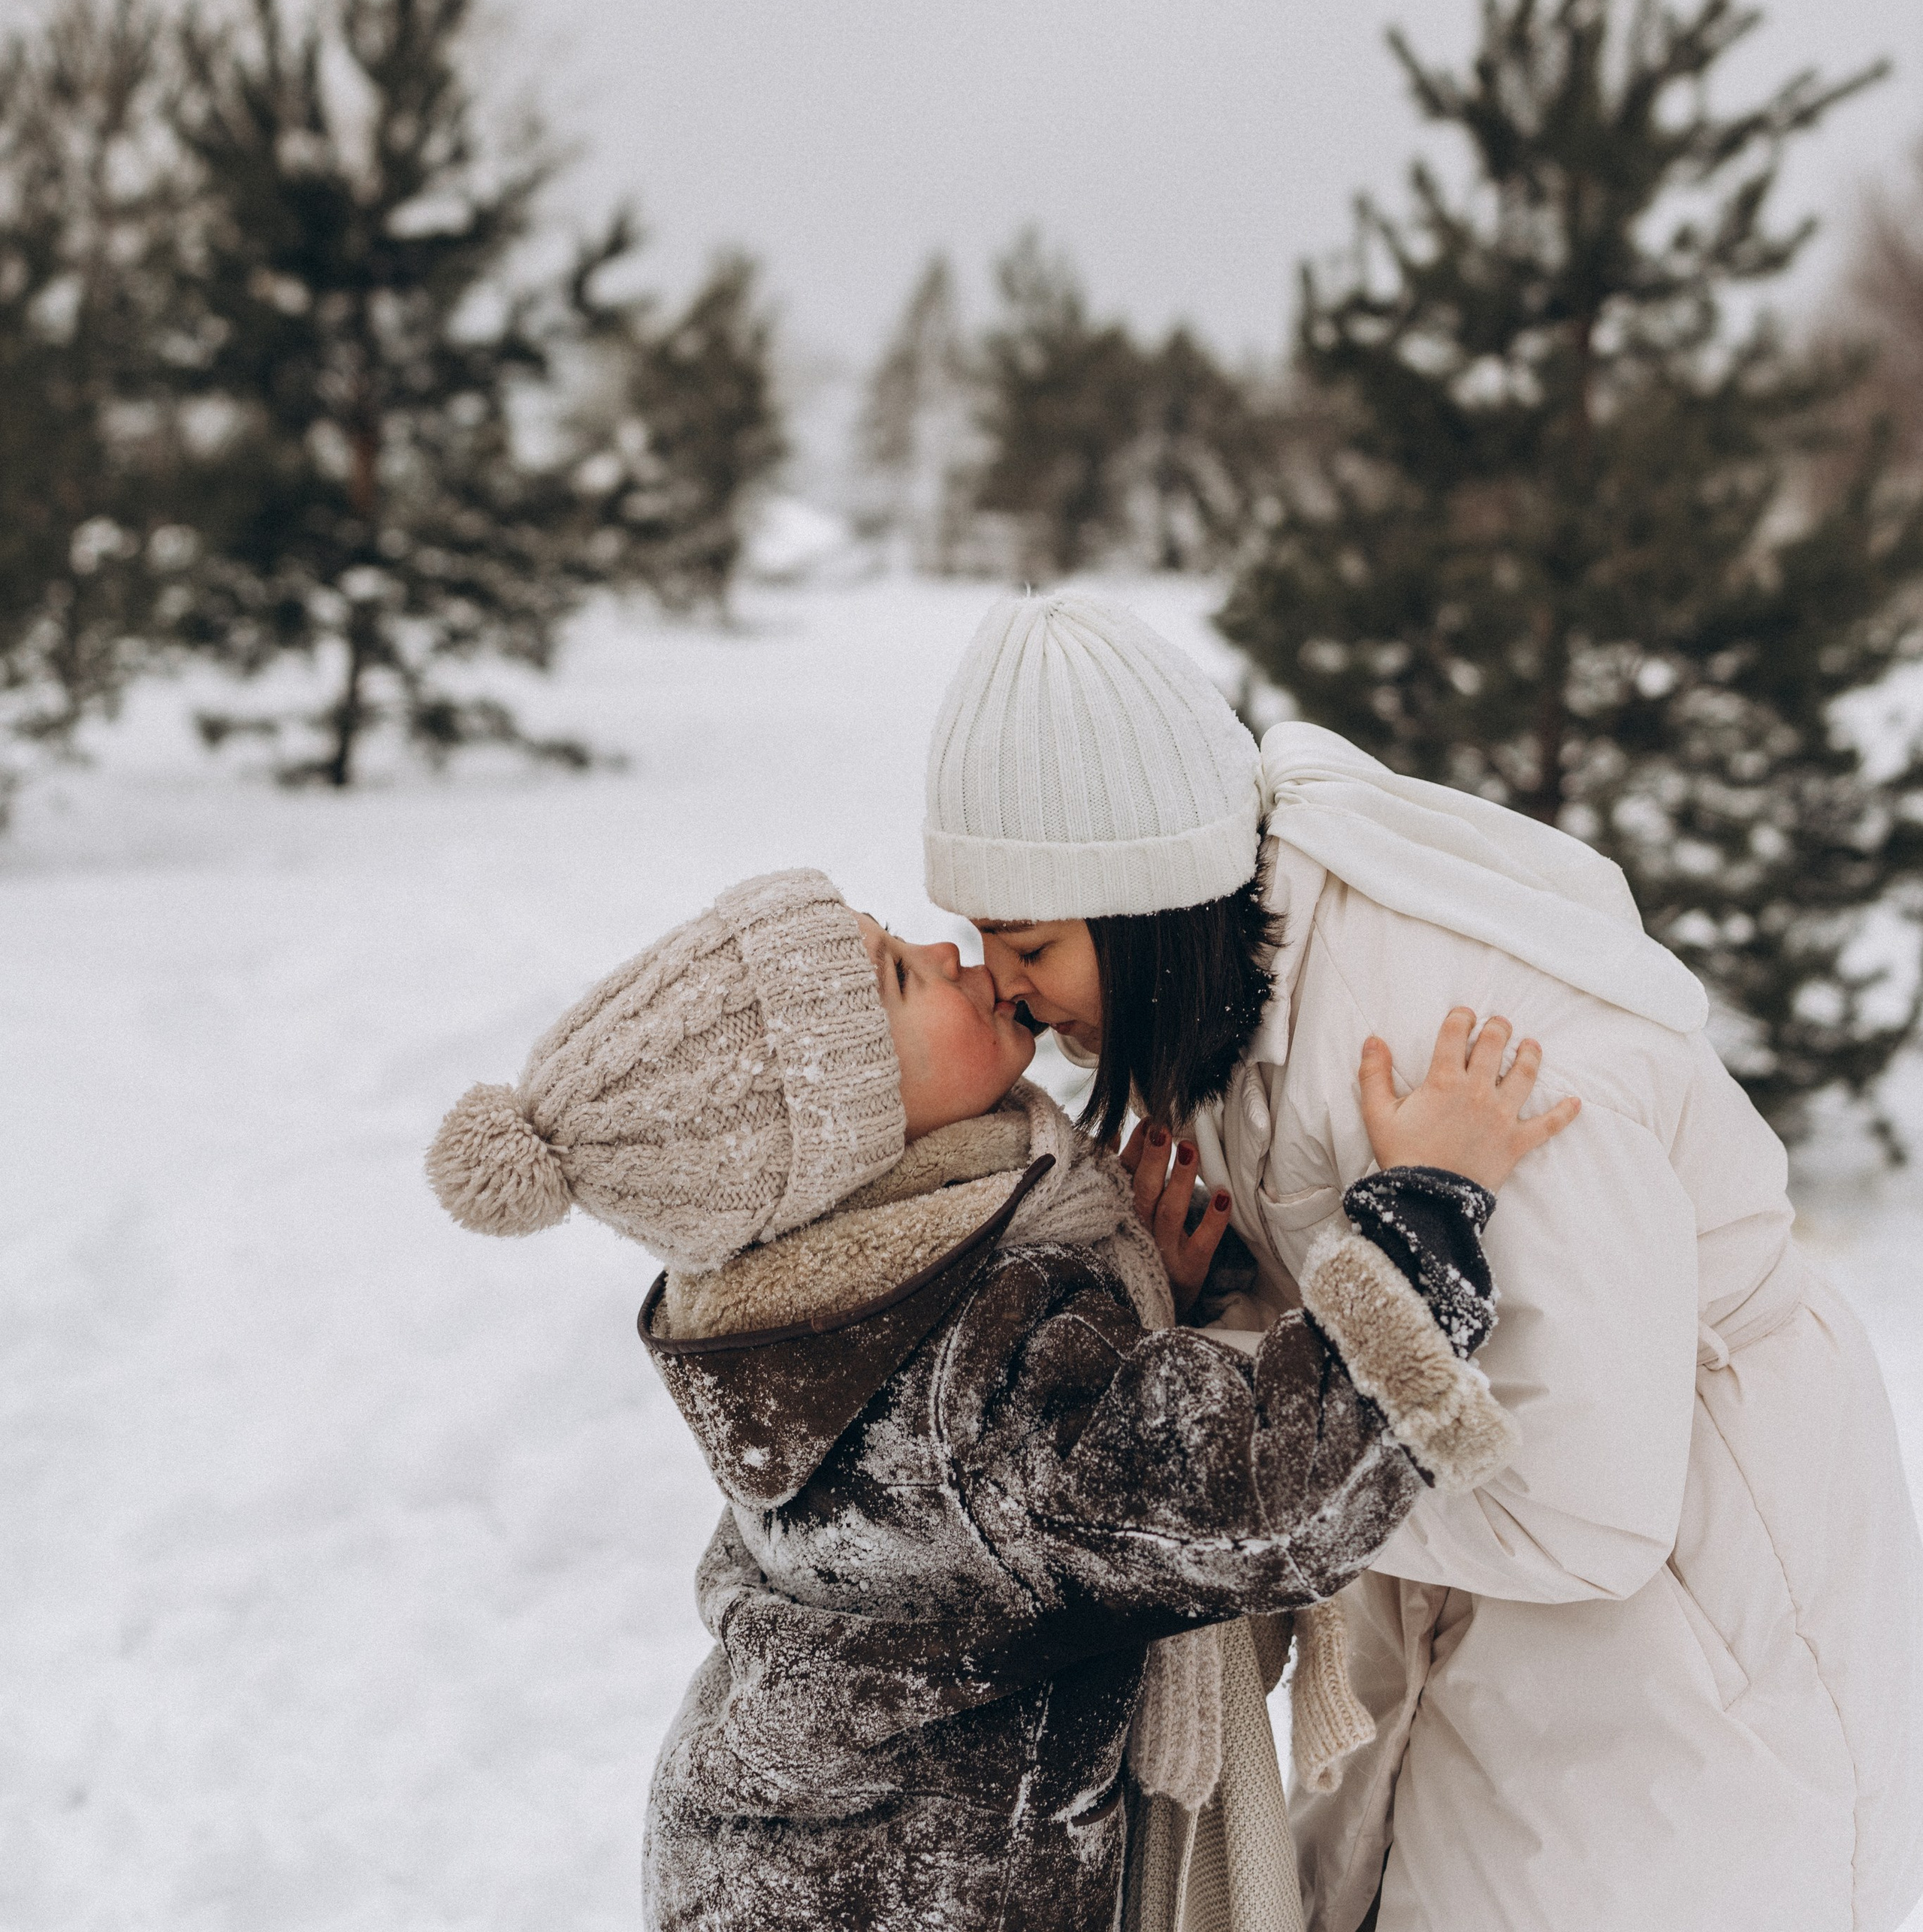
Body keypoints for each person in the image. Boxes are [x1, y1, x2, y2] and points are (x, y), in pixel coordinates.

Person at [924, 589, 1923, 1932]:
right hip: (1491, 1575)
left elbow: (1590, 1506)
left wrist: (1245, 1439)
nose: (1005, 984)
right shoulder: (1235, 984)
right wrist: (1223, 1304)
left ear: (1152, 903)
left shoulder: (1459, 1051)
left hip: (1685, 1603)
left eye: (1033, 943)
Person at [425, 864, 1572, 1932]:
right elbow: (1273, 1489)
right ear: (844, 1127)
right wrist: (1429, 1204)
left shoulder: (822, 1315)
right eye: (901, 975)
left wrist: (1126, 1303)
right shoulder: (968, 1405)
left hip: (779, 1860)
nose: (950, 951)